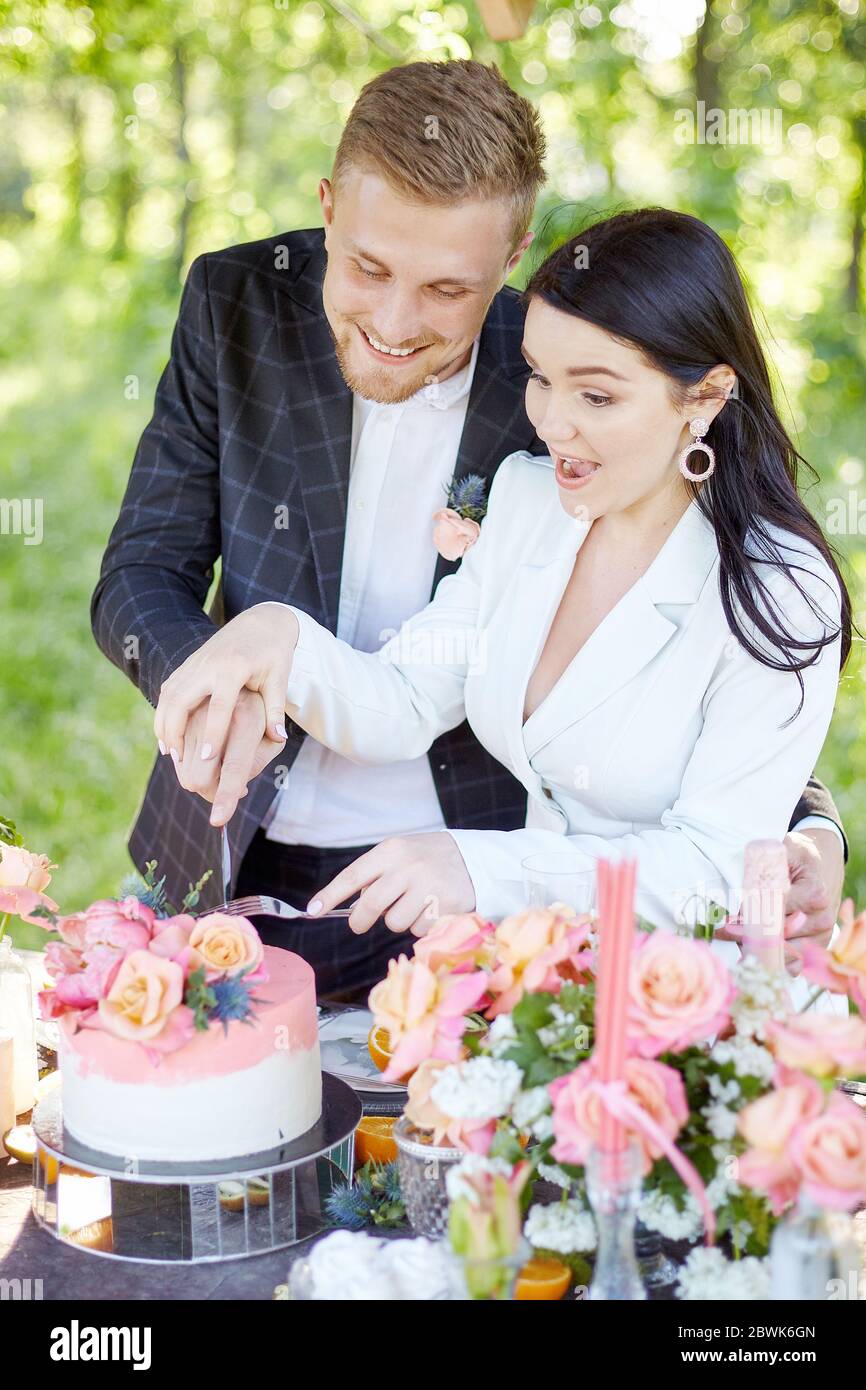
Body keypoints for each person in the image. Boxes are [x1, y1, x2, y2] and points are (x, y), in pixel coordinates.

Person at [94, 61, 846, 1000]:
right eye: (368, 268)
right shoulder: (246, 308)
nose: (398, 322)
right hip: (238, 849)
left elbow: (726, 745)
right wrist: (247, 658)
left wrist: (815, 825)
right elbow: (154, 578)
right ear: (328, 209)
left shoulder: (567, 376)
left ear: (511, 258)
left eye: (449, 289)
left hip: (523, 932)